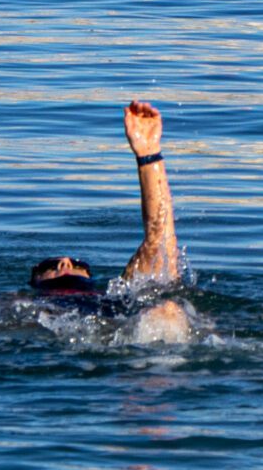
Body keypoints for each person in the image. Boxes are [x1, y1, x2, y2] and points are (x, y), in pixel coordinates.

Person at [27, 99, 191, 341]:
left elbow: (159, 239)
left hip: (113, 328)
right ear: (33, 281)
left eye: (77, 264)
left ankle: (161, 366)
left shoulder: (114, 296)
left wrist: (148, 154)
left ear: (91, 279)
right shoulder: (21, 303)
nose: (64, 263)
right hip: (70, 332)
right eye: (49, 266)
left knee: (167, 312)